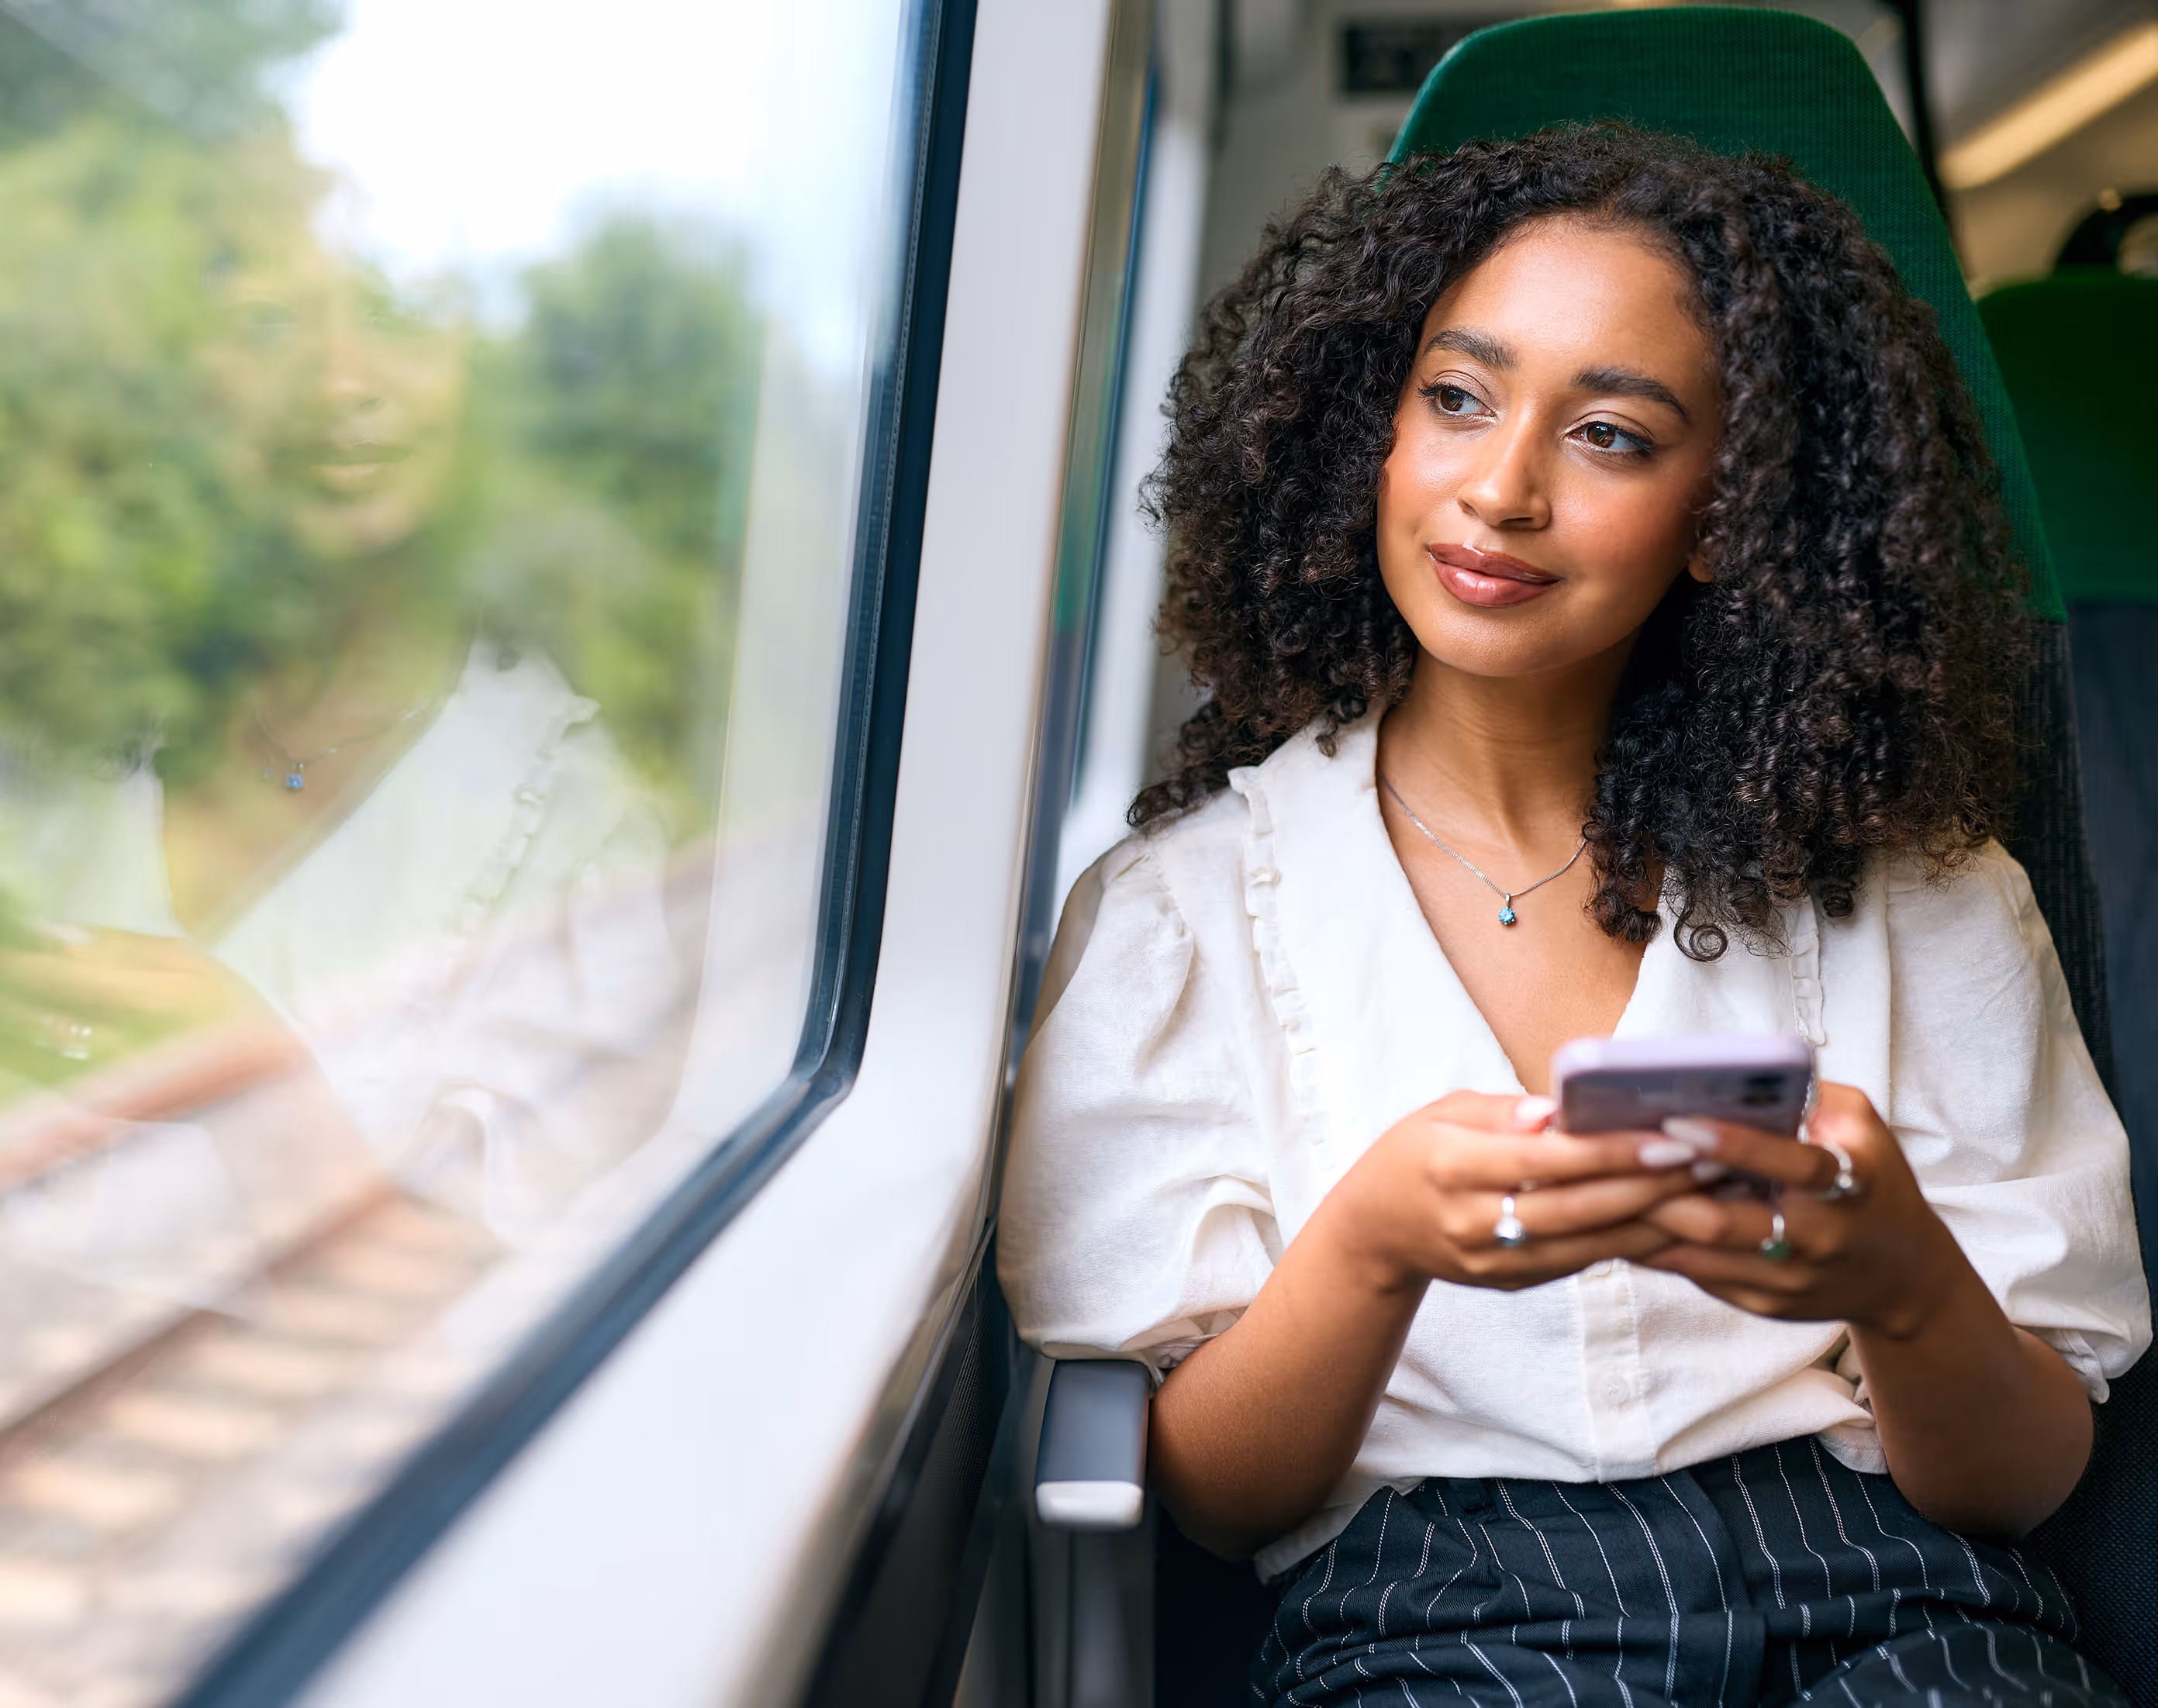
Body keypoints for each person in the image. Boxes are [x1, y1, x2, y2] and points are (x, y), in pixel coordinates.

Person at [999, 126, 2149, 1706]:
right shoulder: (1180, 915)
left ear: (1722, 515)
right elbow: (1216, 1499)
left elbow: (2013, 1490)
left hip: (1901, 1596)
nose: (1499, 489)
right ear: (1368, 432)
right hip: (1439, 1614)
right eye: (1454, 398)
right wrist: (1377, 1241)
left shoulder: (1925, 893)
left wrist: (1895, 1278)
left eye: (1608, 436)